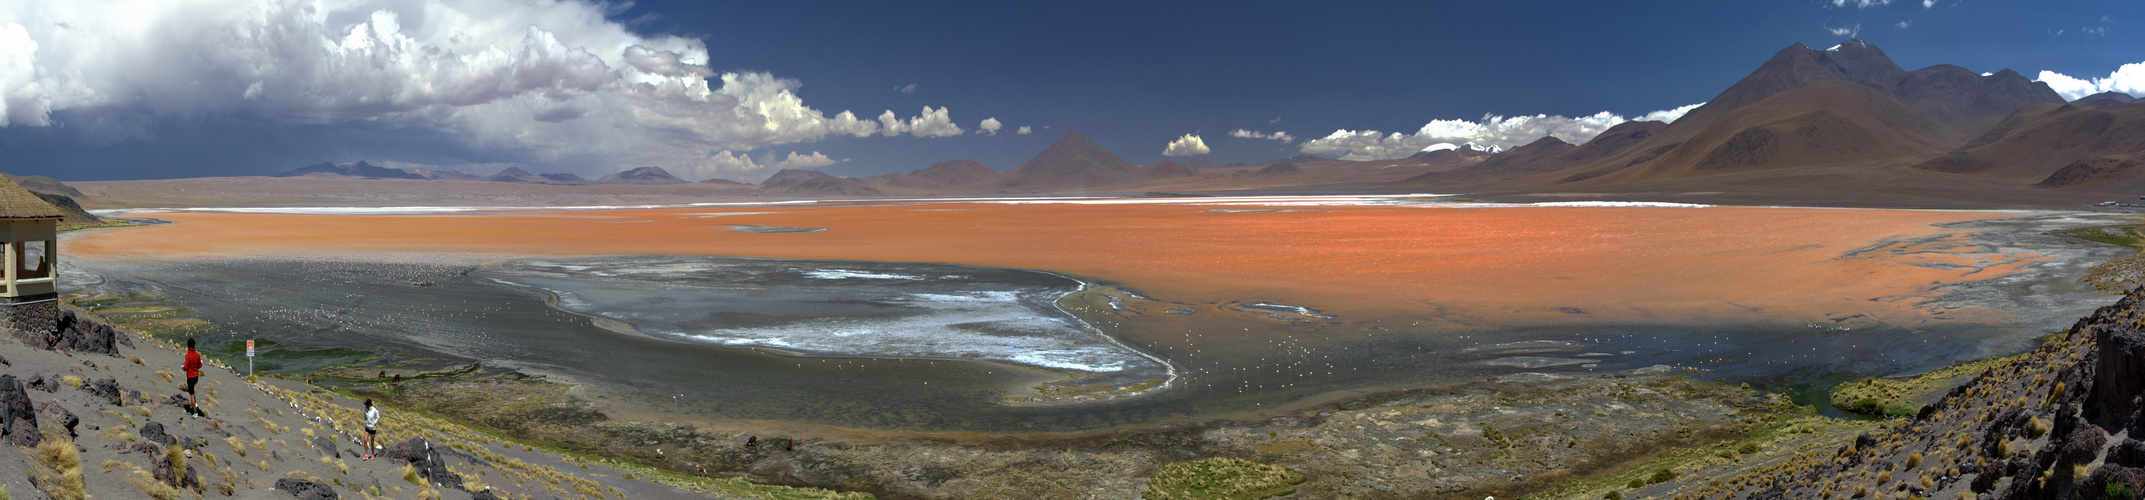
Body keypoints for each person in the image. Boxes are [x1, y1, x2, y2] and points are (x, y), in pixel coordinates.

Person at [182, 338, 203, 415]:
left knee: (191, 394)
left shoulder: (188, 355)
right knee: (192, 391)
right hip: (196, 376)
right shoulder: (197, 355)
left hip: (190, 376)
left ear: (188, 345)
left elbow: (186, 367)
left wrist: (183, 368)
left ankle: (195, 412)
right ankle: (196, 404)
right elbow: (200, 365)